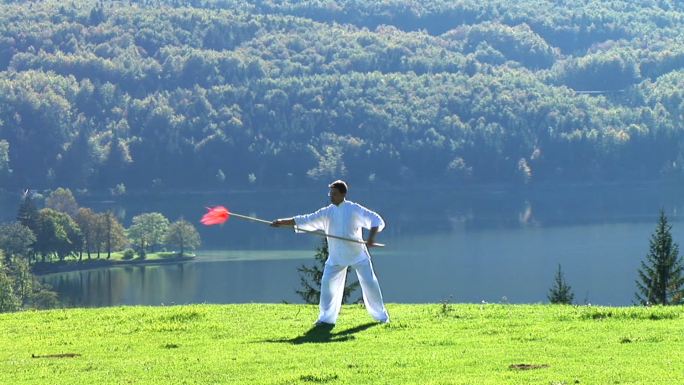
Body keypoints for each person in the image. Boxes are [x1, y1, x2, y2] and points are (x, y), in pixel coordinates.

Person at [271, 180, 390, 326]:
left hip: (357, 254)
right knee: (327, 286)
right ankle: (326, 319)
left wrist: (371, 238)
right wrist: (282, 222)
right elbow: (307, 219)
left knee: (370, 284)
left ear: (343, 194)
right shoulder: (327, 212)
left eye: (334, 194)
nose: (330, 196)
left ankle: (381, 318)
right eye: (330, 193)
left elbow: (376, 220)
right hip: (336, 257)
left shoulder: (354, 209)